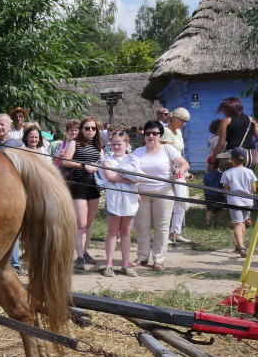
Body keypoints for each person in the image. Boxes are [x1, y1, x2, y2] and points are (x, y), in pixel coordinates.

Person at [132, 120, 190, 270]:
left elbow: (184, 164)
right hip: (142, 193)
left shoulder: (168, 149)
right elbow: (130, 168)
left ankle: (158, 259)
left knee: (162, 227)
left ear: (160, 135)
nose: (151, 136)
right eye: (148, 133)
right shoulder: (138, 151)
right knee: (141, 226)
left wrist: (180, 172)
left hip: (164, 192)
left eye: (155, 133)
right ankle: (142, 257)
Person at [96, 130, 141, 277]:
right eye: (114, 144)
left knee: (126, 232)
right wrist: (127, 176)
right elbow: (109, 176)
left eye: (119, 144)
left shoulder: (133, 159)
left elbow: (137, 177)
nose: (116, 147)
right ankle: (109, 264)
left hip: (130, 199)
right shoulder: (107, 160)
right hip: (113, 199)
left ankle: (125, 264)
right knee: (112, 232)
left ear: (126, 145)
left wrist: (120, 176)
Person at [62, 117, 103, 270]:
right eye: (87, 128)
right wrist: (83, 165)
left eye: (93, 128)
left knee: (89, 223)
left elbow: (104, 163)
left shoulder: (99, 145)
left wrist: (99, 167)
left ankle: (85, 252)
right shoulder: (75, 143)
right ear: (81, 129)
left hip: (94, 186)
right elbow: (65, 161)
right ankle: (79, 256)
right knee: (81, 223)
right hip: (79, 186)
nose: (90, 131)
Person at [161, 107, 193, 245]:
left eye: (186, 121)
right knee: (168, 202)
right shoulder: (166, 132)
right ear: (174, 118)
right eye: (183, 120)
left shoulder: (179, 132)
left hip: (179, 169)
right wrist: (178, 171)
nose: (184, 124)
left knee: (182, 200)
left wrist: (183, 172)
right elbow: (167, 153)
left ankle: (176, 231)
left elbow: (180, 154)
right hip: (168, 170)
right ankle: (163, 233)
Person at [223, 147, 257, 257]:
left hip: (234, 201)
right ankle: (240, 245)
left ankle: (241, 247)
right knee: (242, 223)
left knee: (237, 224)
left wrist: (227, 196)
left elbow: (225, 190)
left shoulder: (227, 173)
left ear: (231, 158)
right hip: (248, 202)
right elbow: (253, 189)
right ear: (246, 159)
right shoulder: (250, 172)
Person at [211, 96, 256, 166]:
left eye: (224, 108)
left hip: (235, 156)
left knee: (232, 176)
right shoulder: (252, 120)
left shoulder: (226, 121)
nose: (223, 111)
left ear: (231, 108)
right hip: (251, 157)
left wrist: (212, 161)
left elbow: (221, 144)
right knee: (248, 176)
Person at [203, 156, 225, 228]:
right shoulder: (222, 174)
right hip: (219, 194)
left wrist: (205, 192)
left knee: (209, 209)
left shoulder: (208, 174)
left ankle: (208, 220)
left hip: (209, 194)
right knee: (220, 209)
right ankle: (218, 222)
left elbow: (205, 185)